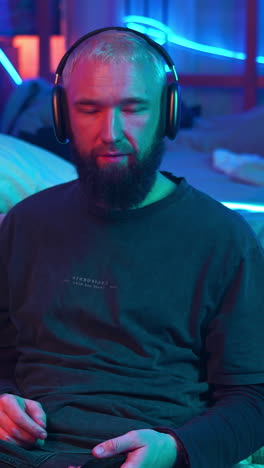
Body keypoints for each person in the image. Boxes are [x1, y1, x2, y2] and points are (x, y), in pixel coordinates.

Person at [0, 27, 264, 468]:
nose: (111, 132)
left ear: (168, 112)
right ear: (63, 117)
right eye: (89, 109)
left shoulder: (224, 238)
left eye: (134, 108)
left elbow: (253, 398)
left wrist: (177, 450)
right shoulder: (25, 224)